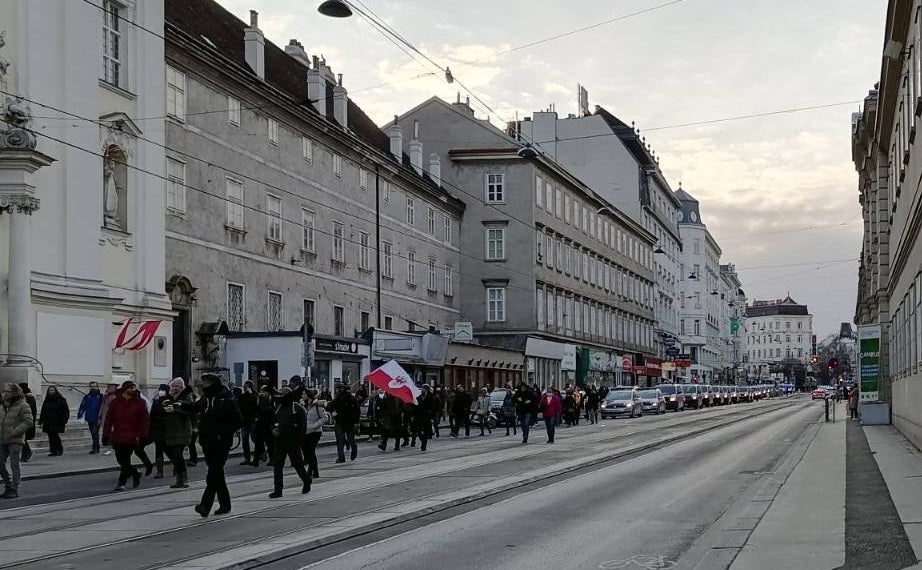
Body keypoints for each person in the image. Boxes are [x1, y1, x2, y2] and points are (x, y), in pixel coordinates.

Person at [184, 373, 242, 517]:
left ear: (213, 383)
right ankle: (225, 504)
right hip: (207, 441)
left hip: (221, 442)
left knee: (213, 473)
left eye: (206, 382)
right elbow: (196, 407)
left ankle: (205, 505)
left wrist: (223, 433)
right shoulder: (206, 398)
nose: (203, 385)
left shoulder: (226, 398)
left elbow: (238, 420)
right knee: (217, 474)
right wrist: (181, 404)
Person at [102, 381, 150, 492]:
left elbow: (144, 421)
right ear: (125, 389)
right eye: (131, 388)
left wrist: (142, 435)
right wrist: (106, 434)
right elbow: (109, 420)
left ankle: (121, 482)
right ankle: (135, 473)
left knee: (126, 459)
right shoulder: (115, 402)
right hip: (118, 436)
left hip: (132, 436)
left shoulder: (140, 403)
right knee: (121, 460)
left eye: (134, 388)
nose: (133, 390)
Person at [268, 387, 311, 498]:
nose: (279, 399)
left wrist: (298, 440)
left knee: (298, 464)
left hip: (292, 441)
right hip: (280, 441)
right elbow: (272, 421)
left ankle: (306, 480)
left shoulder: (297, 409)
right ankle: (278, 489)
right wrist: (273, 429)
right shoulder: (278, 408)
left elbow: (302, 427)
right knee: (277, 465)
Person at [160, 378, 194, 488]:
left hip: (183, 430)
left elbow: (190, 411)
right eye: (173, 386)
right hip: (171, 430)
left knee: (178, 454)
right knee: (172, 454)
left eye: (177, 386)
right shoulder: (170, 397)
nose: (174, 388)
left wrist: (176, 409)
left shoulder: (186, 396)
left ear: (181, 387)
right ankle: (180, 478)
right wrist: (165, 405)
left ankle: (183, 478)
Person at [1, 383, 33, 499]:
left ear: (15, 392)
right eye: (4, 391)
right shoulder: (4, 405)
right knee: (0, 463)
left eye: (8, 391)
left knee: (15, 465)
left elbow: (28, 421)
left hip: (15, 439)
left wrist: (14, 432)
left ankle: (14, 488)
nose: (5, 393)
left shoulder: (23, 405)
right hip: (2, 439)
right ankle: (8, 485)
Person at [328, 384, 359, 463]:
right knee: (342, 439)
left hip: (346, 421)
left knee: (344, 439)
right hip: (343, 422)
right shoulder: (340, 398)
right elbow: (331, 407)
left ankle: (344, 455)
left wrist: (335, 415)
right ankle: (342, 456)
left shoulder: (350, 399)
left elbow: (356, 411)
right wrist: (335, 415)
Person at [39, 386, 69, 456]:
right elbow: (43, 410)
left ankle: (59, 449)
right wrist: (41, 421)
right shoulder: (47, 400)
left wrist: (65, 419)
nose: (51, 392)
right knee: (50, 436)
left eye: (52, 390)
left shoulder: (61, 399)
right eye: (50, 390)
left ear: (55, 391)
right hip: (48, 421)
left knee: (55, 435)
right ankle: (53, 451)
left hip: (57, 421)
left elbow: (65, 410)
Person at [149, 384, 171, 478]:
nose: (161, 391)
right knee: (158, 450)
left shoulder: (170, 401)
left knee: (169, 449)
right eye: (160, 389)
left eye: (163, 390)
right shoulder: (156, 401)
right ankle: (159, 472)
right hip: (157, 429)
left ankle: (177, 466)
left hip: (167, 428)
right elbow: (152, 415)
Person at [251, 383, 275, 467]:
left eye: (265, 392)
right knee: (258, 443)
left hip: (269, 424)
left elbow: (272, 411)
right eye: (262, 391)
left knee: (270, 444)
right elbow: (257, 409)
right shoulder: (260, 398)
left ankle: (272, 460)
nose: (263, 393)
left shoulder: (273, 399)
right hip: (260, 423)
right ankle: (256, 460)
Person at [302, 389, 325, 477]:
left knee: (311, 451)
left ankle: (310, 471)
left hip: (315, 432)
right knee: (308, 451)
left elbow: (324, 417)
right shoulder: (303, 405)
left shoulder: (317, 405)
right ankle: (315, 472)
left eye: (304, 394)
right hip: (306, 431)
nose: (302, 395)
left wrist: (316, 425)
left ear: (308, 395)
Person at [77, 382, 105, 454]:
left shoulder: (101, 396)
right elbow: (83, 405)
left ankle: (96, 448)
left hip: (97, 417)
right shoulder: (87, 396)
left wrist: (101, 417)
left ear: (97, 387)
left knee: (95, 433)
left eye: (94, 386)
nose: (93, 388)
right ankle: (95, 448)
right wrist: (80, 414)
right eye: (92, 386)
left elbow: (103, 407)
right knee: (93, 433)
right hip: (89, 417)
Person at [411, 384, 437, 452]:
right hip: (418, 416)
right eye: (421, 389)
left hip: (427, 417)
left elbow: (433, 408)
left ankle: (424, 445)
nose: (421, 390)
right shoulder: (418, 397)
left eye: (423, 389)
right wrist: (413, 415)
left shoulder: (431, 398)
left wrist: (432, 418)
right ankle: (422, 439)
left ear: (426, 390)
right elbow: (415, 407)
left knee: (426, 431)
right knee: (418, 430)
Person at [237, 380, 257, 466]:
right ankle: (247, 458)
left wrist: (251, 393)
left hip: (252, 420)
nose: (246, 389)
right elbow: (239, 406)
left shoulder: (255, 395)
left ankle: (259, 453)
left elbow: (256, 404)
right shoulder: (242, 396)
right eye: (245, 387)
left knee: (255, 438)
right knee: (245, 440)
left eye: (247, 387)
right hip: (244, 421)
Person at [18, 384, 36, 463]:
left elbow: (31, 412)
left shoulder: (29, 399)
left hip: (26, 422)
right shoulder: (22, 398)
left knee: (23, 439)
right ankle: (25, 454)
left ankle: (26, 454)